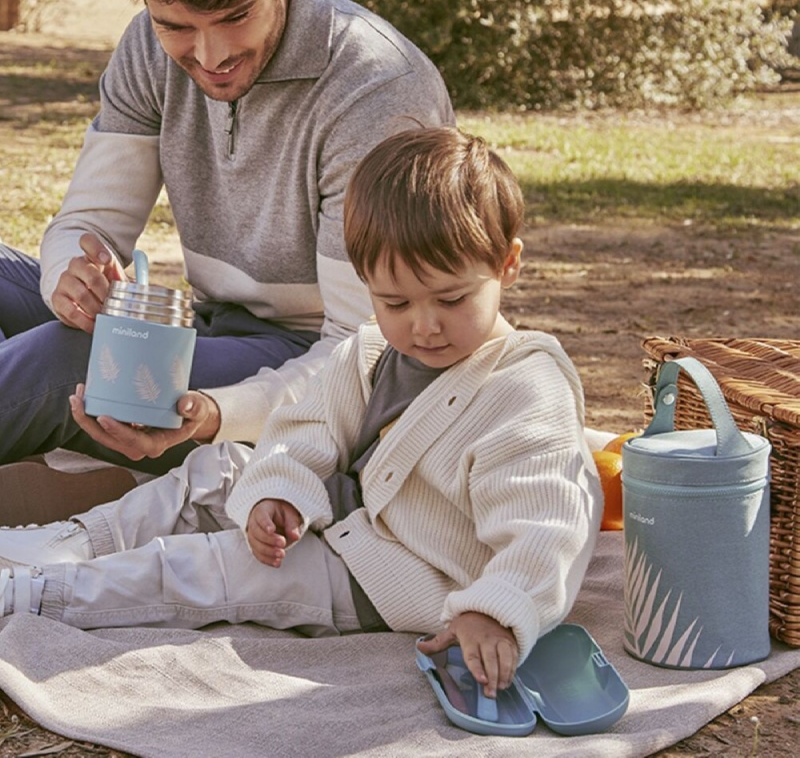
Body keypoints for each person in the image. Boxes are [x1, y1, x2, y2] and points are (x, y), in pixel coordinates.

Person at [0, 127, 601, 698]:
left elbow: (548, 525)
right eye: (394, 301)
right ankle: (77, 540)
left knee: (219, 568)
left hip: (391, 574)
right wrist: (279, 495)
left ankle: (48, 592)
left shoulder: (525, 389)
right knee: (224, 466)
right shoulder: (369, 351)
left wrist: (493, 611)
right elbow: (303, 432)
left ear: (507, 265)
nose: (424, 325)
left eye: (452, 298)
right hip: (343, 514)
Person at [0, 0, 454, 483]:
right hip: (203, 328)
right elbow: (89, 222)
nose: (211, 56)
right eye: (176, 26)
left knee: (74, 361)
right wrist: (68, 279)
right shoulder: (148, 48)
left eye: (235, 17)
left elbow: (363, 352)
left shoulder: (376, 90)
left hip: (305, 361)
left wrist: (217, 413)